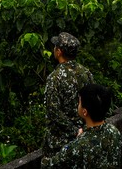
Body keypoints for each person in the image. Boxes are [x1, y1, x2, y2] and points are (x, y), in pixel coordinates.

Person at [41, 84, 122, 168]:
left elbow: (48, 166)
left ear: (85, 111)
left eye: (79, 102)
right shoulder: (114, 132)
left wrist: (79, 140)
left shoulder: (78, 147)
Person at [42, 32, 94, 162]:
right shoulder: (86, 73)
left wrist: (74, 130)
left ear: (59, 52)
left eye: (55, 47)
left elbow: (53, 111)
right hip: (83, 137)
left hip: (59, 142)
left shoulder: (54, 78)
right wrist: (82, 129)